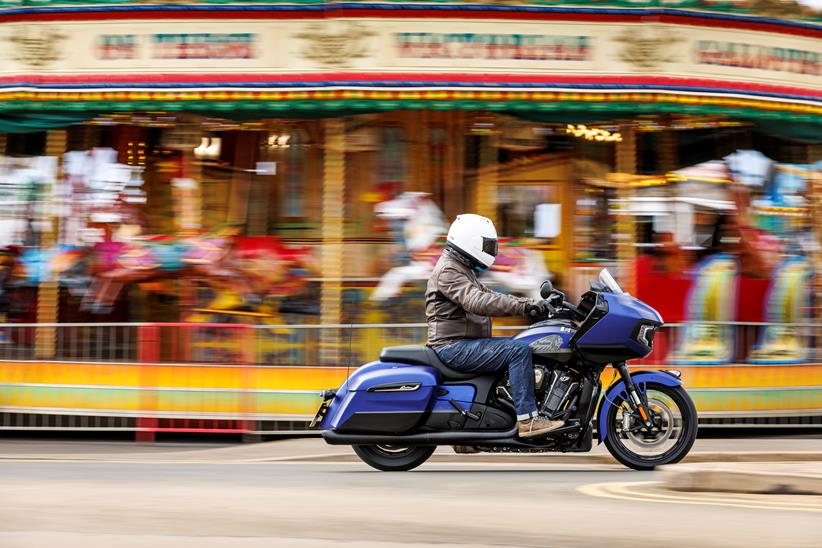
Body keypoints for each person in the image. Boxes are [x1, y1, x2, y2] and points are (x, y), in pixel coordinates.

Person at [425, 213, 564, 438]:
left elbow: (488, 294)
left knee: (520, 343)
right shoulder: (449, 270)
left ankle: (471, 431)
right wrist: (525, 308)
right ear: (470, 240)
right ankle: (528, 420)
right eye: (487, 244)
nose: (492, 250)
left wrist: (531, 303)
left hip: (462, 343)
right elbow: (477, 300)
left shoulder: (460, 268)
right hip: (453, 346)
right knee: (518, 351)